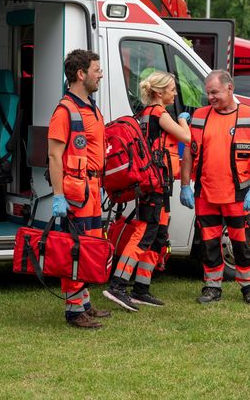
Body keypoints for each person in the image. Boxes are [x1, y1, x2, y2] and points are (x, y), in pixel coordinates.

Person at [103, 71, 191, 311]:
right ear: (159, 93)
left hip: (157, 183)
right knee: (144, 233)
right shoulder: (159, 113)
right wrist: (183, 119)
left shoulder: (142, 114)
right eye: (172, 89)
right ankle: (118, 285)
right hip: (154, 183)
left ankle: (141, 288)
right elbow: (185, 136)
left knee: (158, 235)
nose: (175, 93)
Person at [180, 70, 250, 305]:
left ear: (230, 88)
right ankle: (212, 287)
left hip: (238, 193)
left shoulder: (249, 115)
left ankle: (249, 287)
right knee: (209, 243)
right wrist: (185, 185)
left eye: (214, 92)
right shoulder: (199, 116)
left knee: (240, 242)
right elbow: (188, 153)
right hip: (205, 193)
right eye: (208, 93)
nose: (210, 97)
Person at [48, 49, 111, 328]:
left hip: (93, 188)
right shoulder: (65, 110)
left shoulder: (91, 106)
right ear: (80, 74)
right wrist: (59, 196)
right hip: (77, 191)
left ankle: (84, 301)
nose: (100, 74)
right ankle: (74, 311)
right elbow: (53, 156)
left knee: (90, 247)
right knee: (77, 248)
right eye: (96, 69)